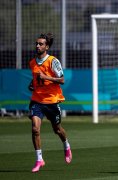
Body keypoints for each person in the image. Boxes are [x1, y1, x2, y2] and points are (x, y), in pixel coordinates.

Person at [28, 33, 72, 173]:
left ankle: (66, 146)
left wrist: (46, 77)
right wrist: (32, 84)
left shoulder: (53, 61)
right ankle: (39, 159)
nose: (37, 46)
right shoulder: (32, 62)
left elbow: (62, 80)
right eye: (37, 43)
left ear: (47, 47)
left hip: (52, 101)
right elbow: (35, 79)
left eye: (41, 44)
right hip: (37, 100)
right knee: (35, 129)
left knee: (57, 129)